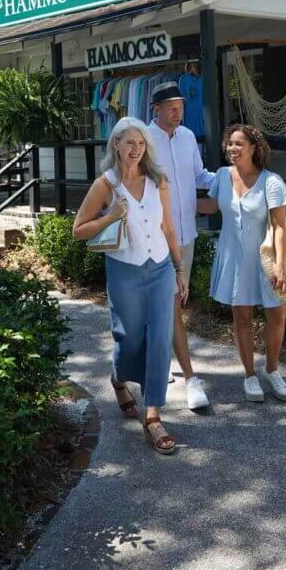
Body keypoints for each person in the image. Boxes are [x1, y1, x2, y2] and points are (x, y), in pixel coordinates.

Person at [73, 117, 188, 454]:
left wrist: (180, 269)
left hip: (160, 268)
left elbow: (168, 229)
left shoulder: (158, 181)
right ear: (117, 146)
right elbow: (78, 230)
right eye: (130, 144)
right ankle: (118, 378)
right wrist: (111, 216)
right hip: (124, 271)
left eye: (141, 144)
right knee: (130, 338)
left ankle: (153, 415)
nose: (136, 150)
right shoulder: (105, 185)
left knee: (159, 338)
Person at [200, 124, 286, 402]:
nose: (232, 149)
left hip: (265, 259)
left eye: (239, 144)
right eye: (230, 144)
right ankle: (250, 375)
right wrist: (173, 202)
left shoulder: (271, 181)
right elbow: (211, 206)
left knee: (277, 315)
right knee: (241, 318)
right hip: (233, 258)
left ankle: (272, 369)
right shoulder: (222, 177)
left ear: (254, 147)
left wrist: (279, 265)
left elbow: (279, 226)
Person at [149, 80, 215, 411]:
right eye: (171, 107)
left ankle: (156, 364)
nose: (178, 112)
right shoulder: (142, 140)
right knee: (170, 302)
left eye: (181, 106)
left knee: (171, 303)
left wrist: (233, 180)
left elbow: (201, 177)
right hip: (153, 239)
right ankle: (191, 379)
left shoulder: (188, 137)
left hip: (186, 234)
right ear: (155, 110)